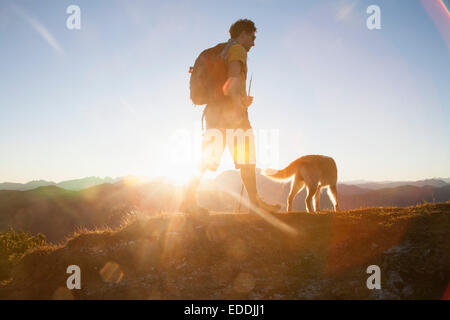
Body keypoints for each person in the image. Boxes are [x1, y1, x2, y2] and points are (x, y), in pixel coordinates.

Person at [180, 19, 280, 215]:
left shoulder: (221, 50)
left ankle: (187, 200)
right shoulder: (237, 50)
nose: (253, 42)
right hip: (232, 115)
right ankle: (255, 204)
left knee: (207, 158)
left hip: (213, 113)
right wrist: (241, 103)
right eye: (252, 37)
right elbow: (232, 83)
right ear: (243, 34)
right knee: (247, 158)